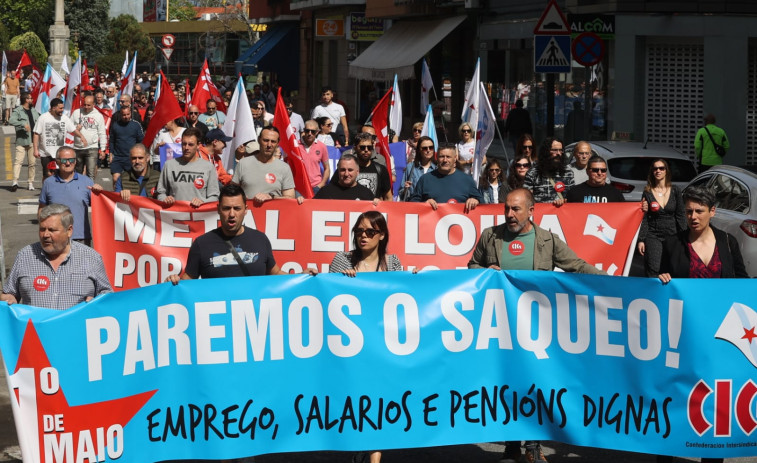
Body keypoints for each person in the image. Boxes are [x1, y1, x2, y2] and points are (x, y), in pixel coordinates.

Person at [468, 188, 604, 463]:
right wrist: (484, 272)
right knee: (507, 381)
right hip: (501, 325)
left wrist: (617, 282)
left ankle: (532, 444)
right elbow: (471, 266)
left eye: (516, 209)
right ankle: (511, 441)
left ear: (532, 211)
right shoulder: (490, 237)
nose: (509, 214)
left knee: (534, 381)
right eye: (507, 208)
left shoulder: (547, 241)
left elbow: (576, 266)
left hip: (536, 325)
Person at [655, 188, 748, 463]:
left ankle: (712, 455)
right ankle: (667, 453)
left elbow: (741, 282)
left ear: (713, 212)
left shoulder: (728, 242)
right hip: (684, 335)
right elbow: (661, 282)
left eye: (699, 211)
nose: (693, 217)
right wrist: (662, 279)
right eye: (688, 211)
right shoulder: (673, 243)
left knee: (714, 399)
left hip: (720, 337)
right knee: (677, 395)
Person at [165, 184, 290, 283]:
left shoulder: (260, 239)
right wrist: (173, 282)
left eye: (237, 208)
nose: (231, 214)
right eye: (226, 208)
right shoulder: (202, 244)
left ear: (246, 210)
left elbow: (276, 273)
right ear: (219, 209)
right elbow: (187, 281)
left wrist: (304, 278)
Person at [1, 204, 112, 309]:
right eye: (42, 229)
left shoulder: (91, 258)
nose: (45, 235)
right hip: (35, 329)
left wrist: (97, 302)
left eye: (52, 230)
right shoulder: (24, 256)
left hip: (75, 328)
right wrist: (8, 299)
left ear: (69, 231)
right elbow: (9, 293)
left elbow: (107, 296)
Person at [637, 159, 687, 277]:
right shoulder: (648, 192)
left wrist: (685, 235)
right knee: (654, 267)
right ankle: (652, 293)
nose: (658, 171)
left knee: (673, 267)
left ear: (666, 171)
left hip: (673, 234)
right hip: (653, 235)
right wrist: (641, 239)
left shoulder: (675, 190)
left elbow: (681, 215)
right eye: (655, 168)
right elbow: (644, 217)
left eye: (661, 168)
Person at [38, 147, 95, 245]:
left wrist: (99, 193)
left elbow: (101, 207)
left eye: (71, 160)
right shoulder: (48, 183)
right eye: (64, 160)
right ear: (57, 161)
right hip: (56, 238)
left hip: (81, 238)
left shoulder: (87, 182)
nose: (68, 163)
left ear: (76, 161)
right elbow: (41, 210)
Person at [231, 126, 295, 205]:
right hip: (247, 214)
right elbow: (232, 192)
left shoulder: (284, 168)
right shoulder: (243, 163)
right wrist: (242, 197)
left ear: (278, 143)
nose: (269, 145)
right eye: (265, 140)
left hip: (273, 215)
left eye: (273, 141)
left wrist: (271, 197)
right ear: (259, 140)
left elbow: (291, 198)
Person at [157, 128, 220, 207]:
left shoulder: (208, 167)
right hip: (175, 215)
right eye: (184, 144)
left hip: (197, 216)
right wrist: (165, 199)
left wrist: (202, 201)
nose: (186, 147)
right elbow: (161, 193)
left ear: (198, 145)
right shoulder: (169, 165)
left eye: (190, 144)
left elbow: (214, 197)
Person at [409, 143, 482, 211]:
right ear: (436, 158)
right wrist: (424, 203)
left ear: (455, 158)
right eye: (441, 156)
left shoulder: (467, 180)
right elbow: (412, 204)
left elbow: (483, 204)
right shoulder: (425, 179)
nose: (445, 160)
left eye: (448, 157)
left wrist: (475, 200)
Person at [330, 211, 403, 277]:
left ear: (382, 235)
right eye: (359, 231)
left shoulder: (392, 263)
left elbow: (400, 289)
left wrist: (414, 277)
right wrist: (342, 278)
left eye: (370, 232)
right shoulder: (343, 260)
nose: (363, 235)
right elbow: (329, 288)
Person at [33, 98, 88, 179]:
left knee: (61, 174)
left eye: (63, 108)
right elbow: (36, 134)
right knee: (47, 175)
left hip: (60, 153)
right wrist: (35, 149)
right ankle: (45, 190)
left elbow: (73, 129)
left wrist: (81, 136)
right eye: (60, 108)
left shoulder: (64, 118)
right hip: (46, 153)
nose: (62, 110)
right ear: (53, 108)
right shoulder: (43, 118)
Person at [523, 137, 574, 205]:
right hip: (540, 214)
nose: (559, 153)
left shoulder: (568, 172)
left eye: (561, 150)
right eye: (555, 150)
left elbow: (573, 197)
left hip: (562, 214)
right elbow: (526, 199)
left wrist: (564, 201)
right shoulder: (533, 173)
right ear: (546, 151)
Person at [71, 95, 108, 180]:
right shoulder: (77, 112)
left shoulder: (98, 116)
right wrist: (76, 128)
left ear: (93, 104)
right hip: (78, 147)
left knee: (90, 174)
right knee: (77, 173)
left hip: (92, 148)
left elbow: (102, 133)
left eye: (89, 105)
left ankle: (89, 192)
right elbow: (69, 127)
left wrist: (103, 149)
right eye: (84, 105)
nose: (86, 107)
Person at [8, 91, 39, 191]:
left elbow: (38, 121)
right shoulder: (18, 110)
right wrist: (22, 124)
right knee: (18, 161)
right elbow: (11, 120)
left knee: (32, 163)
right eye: (30, 98)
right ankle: (15, 182)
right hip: (21, 140)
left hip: (32, 141)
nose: (32, 100)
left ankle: (30, 183)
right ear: (26, 99)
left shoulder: (33, 110)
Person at [352, 132, 393, 201]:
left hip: (373, 210)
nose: (366, 150)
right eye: (362, 147)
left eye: (369, 147)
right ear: (355, 148)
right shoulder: (347, 169)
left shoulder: (381, 170)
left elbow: (388, 197)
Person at [108, 106, 144, 183]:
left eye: (128, 114)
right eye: (124, 115)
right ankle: (116, 194)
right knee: (116, 179)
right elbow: (112, 141)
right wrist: (110, 154)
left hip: (131, 158)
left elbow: (141, 141)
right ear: (120, 115)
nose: (126, 117)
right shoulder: (115, 125)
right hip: (118, 157)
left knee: (131, 180)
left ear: (130, 113)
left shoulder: (136, 125)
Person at [399, 136, 436, 201]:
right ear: (419, 150)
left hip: (432, 208)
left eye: (431, 148)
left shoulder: (437, 169)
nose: (428, 150)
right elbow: (401, 193)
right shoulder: (410, 167)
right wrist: (405, 190)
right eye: (425, 148)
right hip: (414, 206)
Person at [299, 119, 330, 192]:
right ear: (303, 131)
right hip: (299, 187)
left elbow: (327, 168)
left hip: (316, 186)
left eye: (312, 131)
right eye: (307, 131)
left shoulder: (322, 146)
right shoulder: (296, 146)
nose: (309, 133)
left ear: (317, 132)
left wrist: (321, 185)